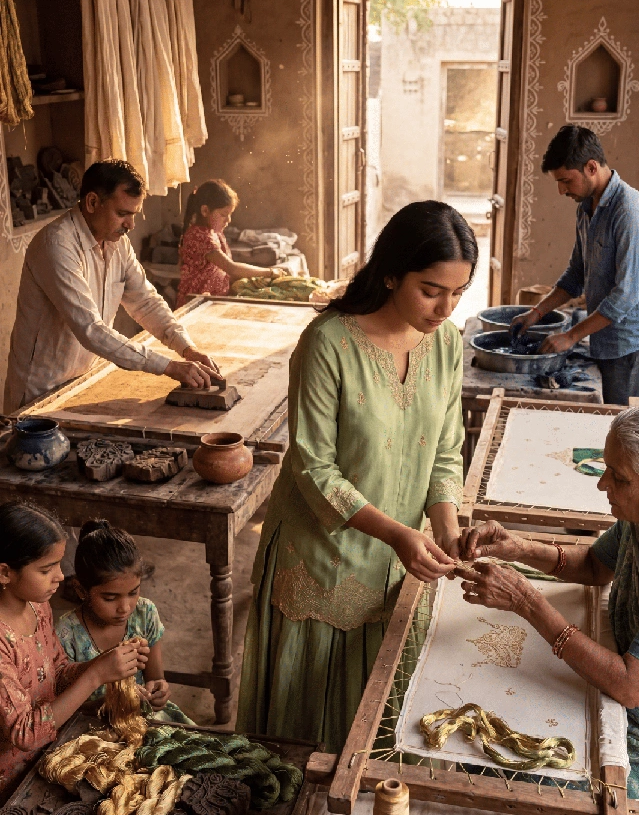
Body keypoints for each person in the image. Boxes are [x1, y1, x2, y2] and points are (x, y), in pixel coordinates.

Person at [237, 200, 477, 752]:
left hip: (402, 556)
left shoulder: (445, 342)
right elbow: (312, 468)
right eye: (431, 289)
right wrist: (397, 533)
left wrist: (446, 528)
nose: (445, 307)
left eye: (458, 292)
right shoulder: (328, 344)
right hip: (325, 555)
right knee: (309, 736)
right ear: (391, 273)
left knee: (381, 726)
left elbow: (445, 449)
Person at [455, 401, 639, 801]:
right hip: (624, 683)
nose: (602, 485)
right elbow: (594, 567)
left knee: (515, 774)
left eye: (619, 478)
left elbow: (632, 687)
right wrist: (518, 548)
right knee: (487, 740)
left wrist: (527, 601)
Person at [4, 159, 220, 414]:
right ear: (93, 202)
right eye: (122, 213)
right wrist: (169, 367)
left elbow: (146, 302)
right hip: (38, 392)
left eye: (133, 214)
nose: (131, 224)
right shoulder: (56, 244)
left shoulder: (118, 243)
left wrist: (187, 348)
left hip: (82, 381)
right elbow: (91, 329)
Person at [0, 502, 146, 800]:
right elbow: (24, 733)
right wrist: (94, 677)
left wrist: (102, 665)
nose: (60, 576)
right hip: (11, 778)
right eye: (46, 569)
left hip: (53, 751)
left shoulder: (37, 606)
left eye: (58, 564)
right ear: (5, 573)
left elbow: (58, 672)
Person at [511, 125, 639, 405]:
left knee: (620, 428)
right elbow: (575, 276)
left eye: (566, 181)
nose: (561, 190)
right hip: (602, 337)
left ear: (591, 167)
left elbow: (625, 296)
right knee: (601, 426)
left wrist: (570, 337)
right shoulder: (586, 208)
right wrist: (536, 313)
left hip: (630, 343)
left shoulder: (629, 212)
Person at [56, 519, 190, 724]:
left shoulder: (145, 613)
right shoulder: (67, 634)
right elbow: (66, 710)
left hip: (140, 716)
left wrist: (158, 690)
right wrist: (113, 700)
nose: (125, 607)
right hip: (91, 726)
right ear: (81, 590)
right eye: (110, 598)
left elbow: (155, 677)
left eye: (133, 592)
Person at [176, 179, 282, 307]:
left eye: (230, 214)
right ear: (205, 211)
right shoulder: (199, 236)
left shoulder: (215, 233)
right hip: (195, 304)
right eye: (223, 214)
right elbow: (232, 268)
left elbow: (222, 272)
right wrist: (269, 272)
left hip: (211, 301)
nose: (228, 220)